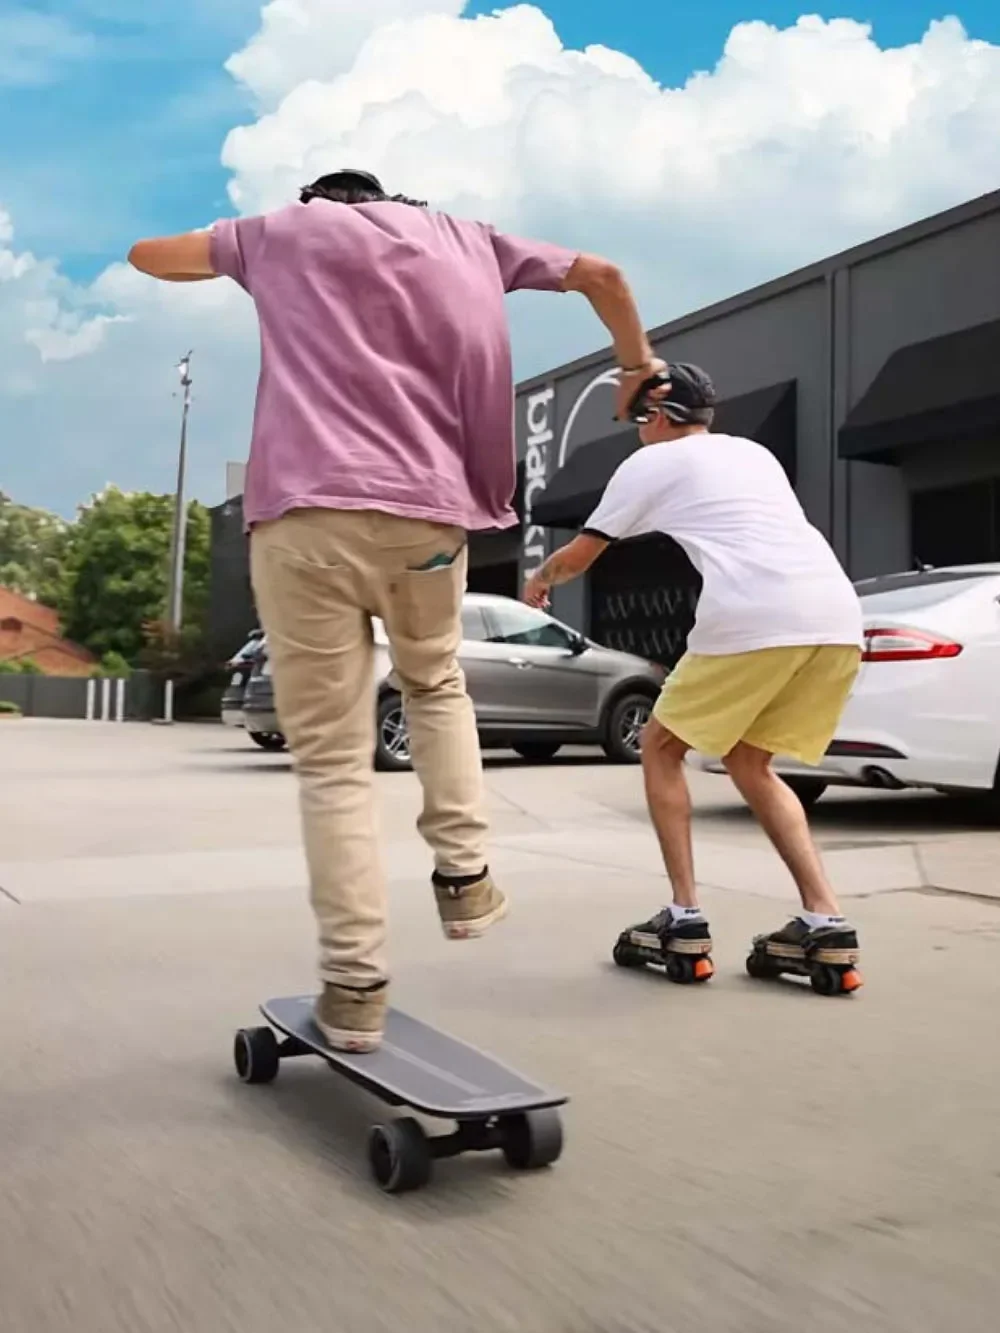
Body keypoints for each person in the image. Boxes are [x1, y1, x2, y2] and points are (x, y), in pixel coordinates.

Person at [127, 168, 661, 1050]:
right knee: (435, 679)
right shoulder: (473, 239)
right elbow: (604, 276)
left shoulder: (285, 233)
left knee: (335, 762)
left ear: (319, 204)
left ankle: (355, 986)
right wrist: (637, 368)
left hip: (304, 519)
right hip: (430, 516)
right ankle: (466, 875)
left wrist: (242, 253)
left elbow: (149, 257)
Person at [523, 362, 865, 991]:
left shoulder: (649, 465)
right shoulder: (755, 454)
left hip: (753, 618)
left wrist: (540, 580)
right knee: (749, 761)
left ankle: (683, 916)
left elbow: (581, 554)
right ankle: (826, 920)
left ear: (657, 417)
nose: (634, 431)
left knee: (661, 745)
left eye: (635, 418)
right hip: (837, 620)